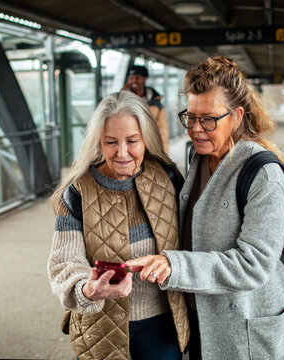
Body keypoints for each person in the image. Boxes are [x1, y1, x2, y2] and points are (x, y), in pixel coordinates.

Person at [126, 56, 284, 360]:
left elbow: (255, 264)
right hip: (205, 317)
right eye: (191, 117)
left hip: (246, 328)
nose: (196, 129)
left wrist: (175, 265)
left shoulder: (262, 174)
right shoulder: (198, 158)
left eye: (208, 119)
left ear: (237, 116)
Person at [47, 91, 189, 360]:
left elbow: (191, 243)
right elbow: (64, 264)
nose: (122, 153)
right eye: (111, 142)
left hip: (163, 329)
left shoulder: (168, 177)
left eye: (132, 141)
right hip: (99, 331)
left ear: (147, 138)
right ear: (98, 142)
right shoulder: (77, 192)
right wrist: (88, 290)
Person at [122, 65, 169, 153]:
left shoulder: (157, 103)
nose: (134, 81)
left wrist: (164, 155)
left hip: (150, 150)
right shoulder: (121, 101)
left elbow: (163, 132)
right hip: (127, 151)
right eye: (131, 78)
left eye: (137, 77)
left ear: (145, 78)